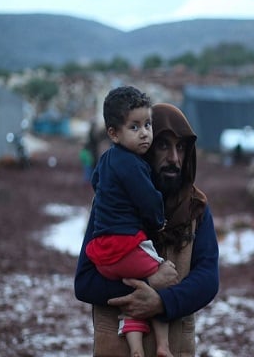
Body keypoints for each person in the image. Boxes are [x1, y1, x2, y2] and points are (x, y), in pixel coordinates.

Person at [75, 101, 220, 357]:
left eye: (181, 147)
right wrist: (146, 284)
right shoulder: (111, 203)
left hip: (175, 350)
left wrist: (162, 302)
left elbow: (208, 278)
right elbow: (85, 282)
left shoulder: (196, 208)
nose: (174, 158)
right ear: (145, 147)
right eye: (163, 145)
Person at [84, 86, 173, 357]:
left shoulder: (107, 159)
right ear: (113, 133)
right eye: (134, 127)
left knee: (136, 293)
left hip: (103, 252)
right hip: (127, 244)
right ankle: (162, 346)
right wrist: (159, 222)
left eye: (147, 124)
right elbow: (148, 199)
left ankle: (135, 349)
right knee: (163, 280)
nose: (145, 132)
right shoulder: (133, 163)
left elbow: (95, 182)